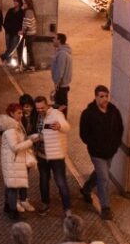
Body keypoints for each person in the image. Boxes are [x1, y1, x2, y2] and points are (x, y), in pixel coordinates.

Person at [78, 85, 123, 220]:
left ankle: (86, 188)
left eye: (106, 96)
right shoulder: (88, 114)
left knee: (99, 173)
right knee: (104, 178)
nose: (104, 99)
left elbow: (119, 129)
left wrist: (115, 145)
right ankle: (105, 207)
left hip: (110, 151)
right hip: (97, 153)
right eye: (101, 96)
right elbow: (84, 134)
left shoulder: (114, 111)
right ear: (96, 97)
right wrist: (94, 145)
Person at [0, 102, 41, 218]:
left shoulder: (15, 125)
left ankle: (8, 207)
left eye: (21, 112)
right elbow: (15, 147)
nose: (21, 115)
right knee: (13, 187)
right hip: (13, 161)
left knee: (10, 185)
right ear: (11, 113)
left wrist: (28, 138)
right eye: (18, 113)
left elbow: (20, 141)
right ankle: (12, 211)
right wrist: (31, 142)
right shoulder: (11, 129)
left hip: (13, 160)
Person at [37, 97, 72, 216]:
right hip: (42, 155)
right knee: (43, 181)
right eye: (38, 108)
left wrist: (60, 127)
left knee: (61, 182)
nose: (40, 110)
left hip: (56, 155)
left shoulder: (56, 114)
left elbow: (66, 127)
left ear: (47, 106)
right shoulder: (36, 116)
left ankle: (67, 208)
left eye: (42, 107)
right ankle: (45, 204)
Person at [51, 34, 72, 107]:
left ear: (59, 40)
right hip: (62, 85)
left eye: (54, 38)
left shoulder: (62, 54)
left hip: (61, 86)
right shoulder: (63, 51)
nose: (53, 40)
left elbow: (60, 70)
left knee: (60, 107)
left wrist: (57, 84)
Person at [1, 0, 25, 64]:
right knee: (8, 46)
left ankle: (4, 56)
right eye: (14, 1)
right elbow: (6, 20)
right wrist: (6, 28)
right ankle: (8, 60)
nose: (14, 3)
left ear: (20, 3)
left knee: (13, 47)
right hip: (8, 32)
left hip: (16, 33)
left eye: (16, 2)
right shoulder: (10, 10)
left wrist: (20, 30)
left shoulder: (22, 12)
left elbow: (23, 22)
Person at [21, 0, 38, 71]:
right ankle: (30, 65)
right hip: (31, 34)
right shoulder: (29, 11)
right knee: (28, 50)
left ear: (27, 4)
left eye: (24, 3)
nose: (23, 4)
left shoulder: (28, 12)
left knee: (29, 50)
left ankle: (31, 65)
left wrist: (22, 31)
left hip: (29, 35)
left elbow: (27, 24)